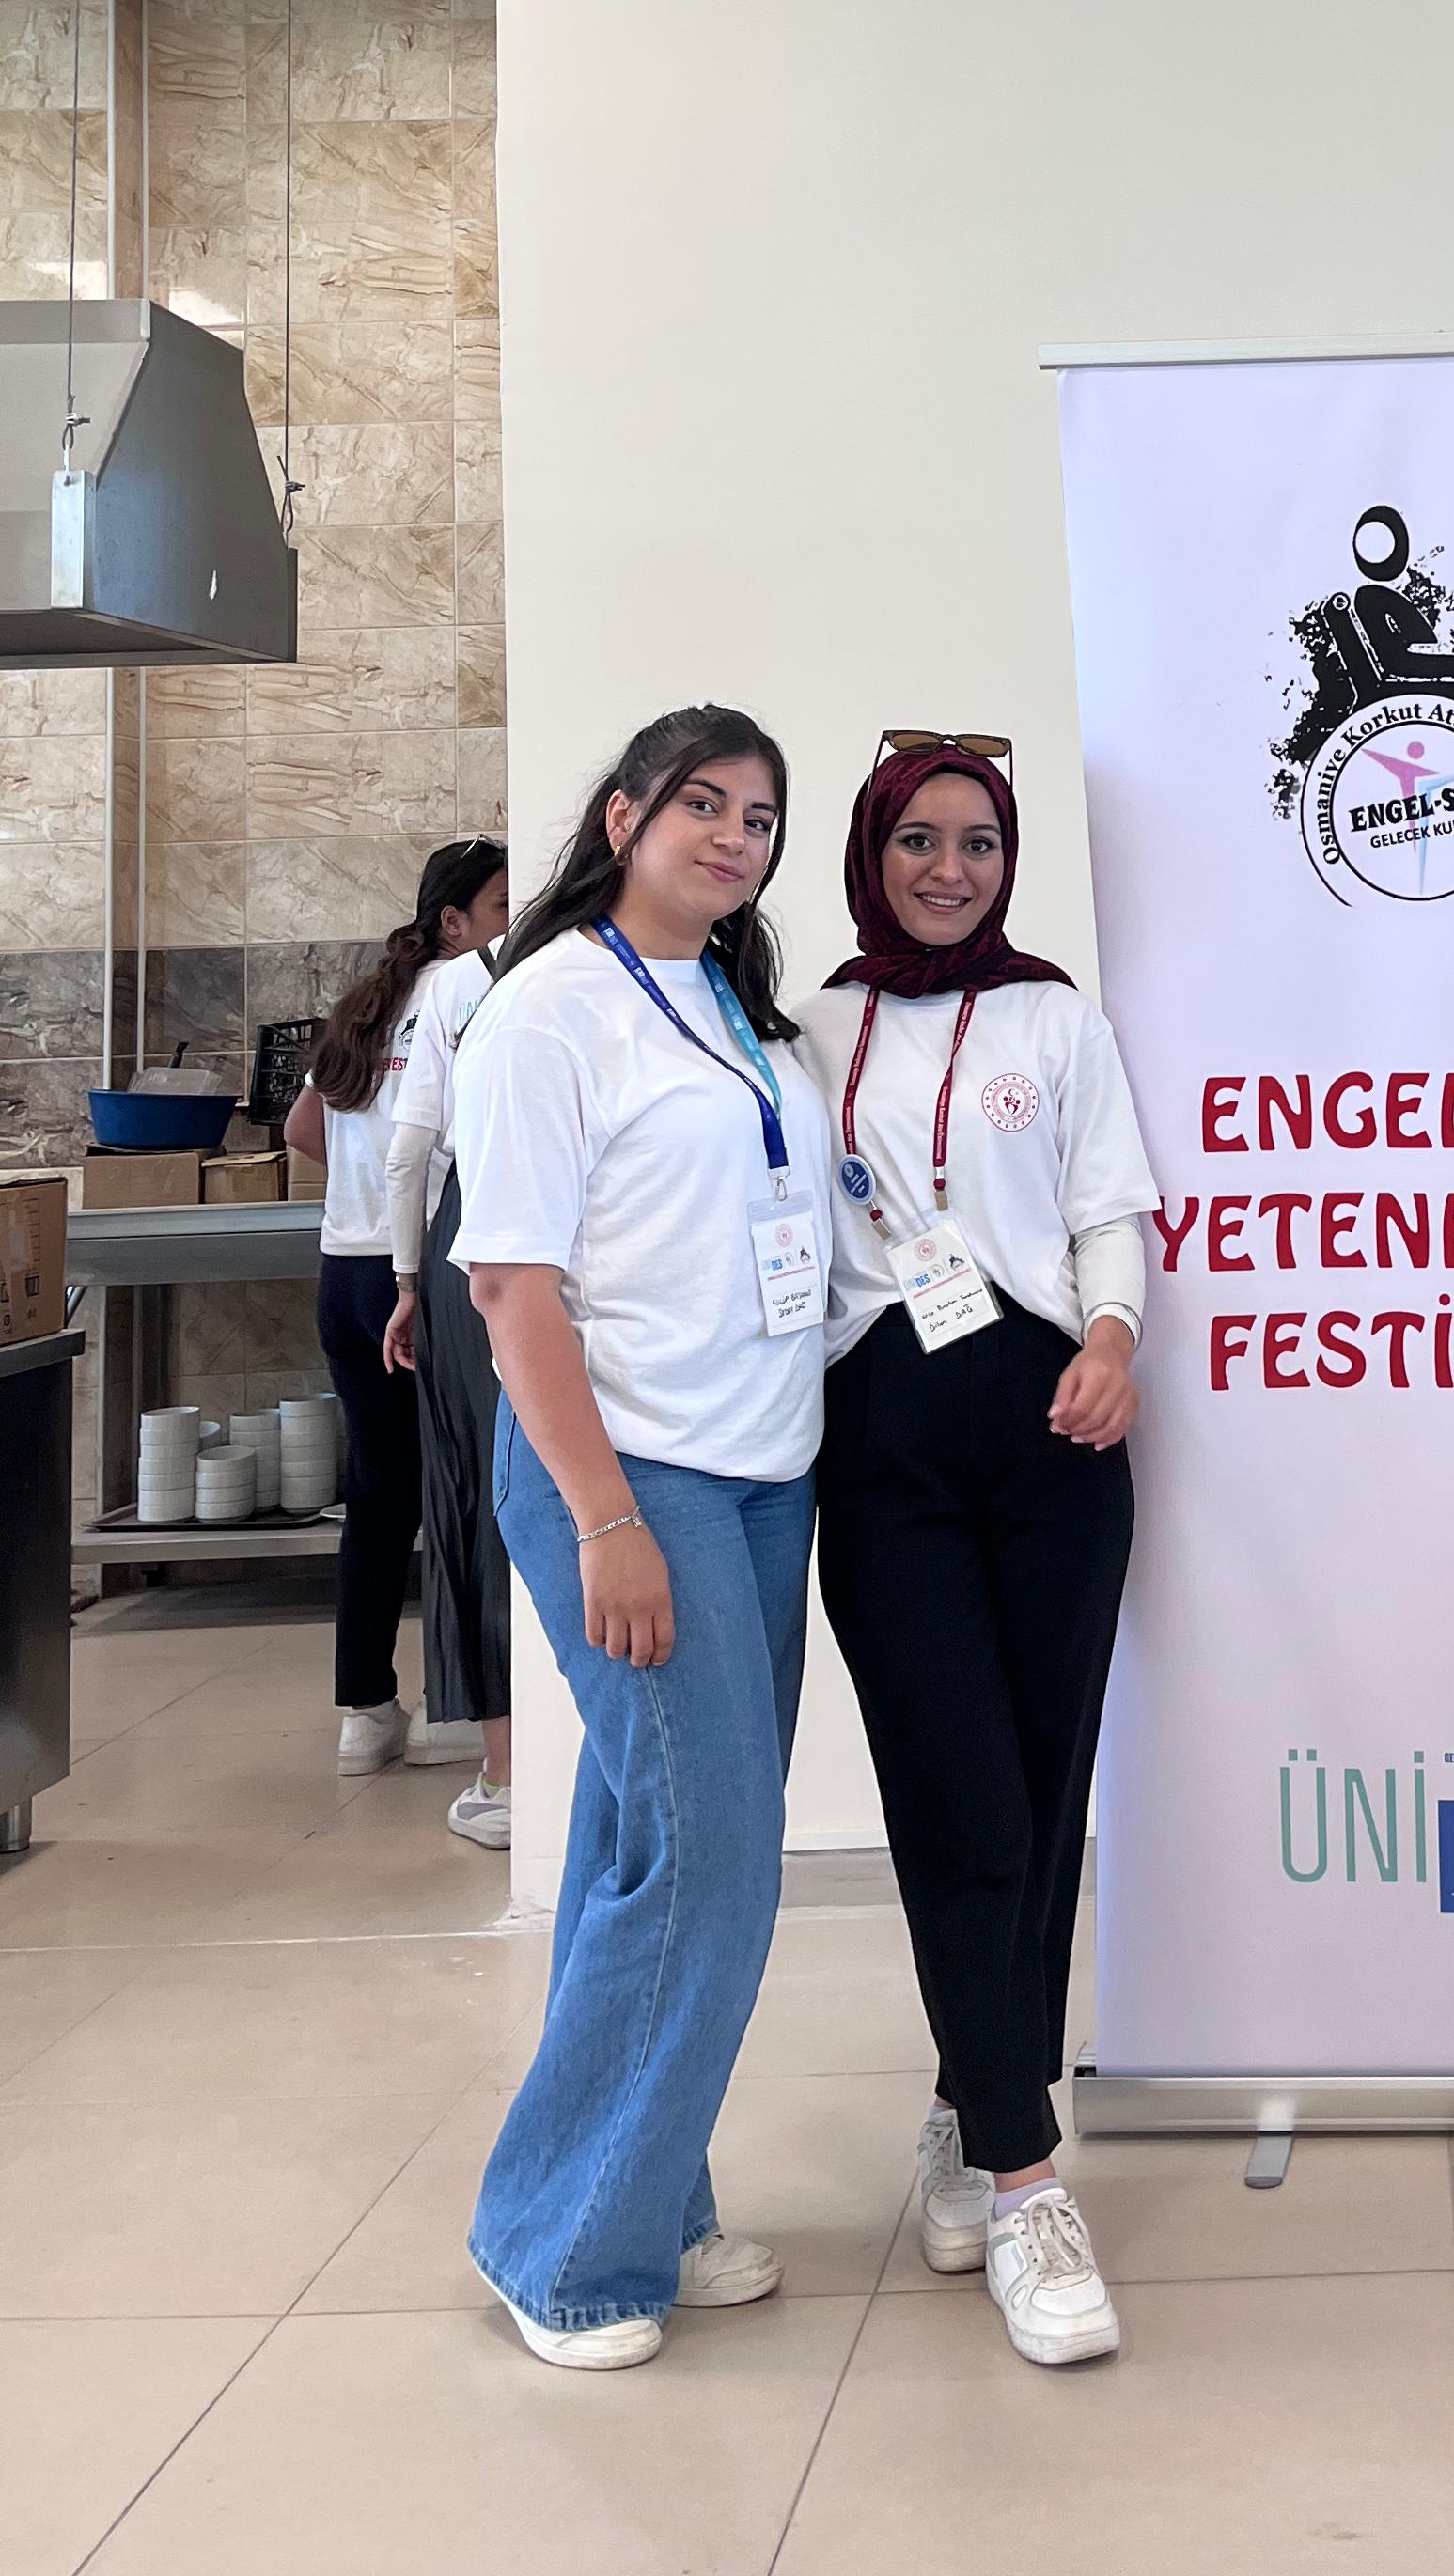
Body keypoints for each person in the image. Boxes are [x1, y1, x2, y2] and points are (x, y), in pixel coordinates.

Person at [454, 705, 833, 2373]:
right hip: (630, 1474)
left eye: (759, 815)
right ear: (623, 816)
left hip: (762, 1474)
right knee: (712, 1864)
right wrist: (605, 1518)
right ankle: (565, 2246)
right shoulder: (547, 1008)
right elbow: (510, 1287)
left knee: (645, 1847)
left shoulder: (736, 1005)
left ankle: (651, 2197)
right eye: (704, 803)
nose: (736, 837)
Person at [789, 735, 1158, 2372]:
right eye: (920, 841)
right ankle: (1026, 2182)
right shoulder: (806, 1030)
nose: (950, 870)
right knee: (959, 1797)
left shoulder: (1054, 1018)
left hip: (1054, 1425)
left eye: (980, 844)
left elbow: (1108, 1205)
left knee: (1042, 1788)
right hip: (881, 1438)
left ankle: (970, 2096)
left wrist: (1111, 1338)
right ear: (870, 852)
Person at [283, 839, 508, 1779]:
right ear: (454, 920)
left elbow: (300, 1128)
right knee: (459, 1485)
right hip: (413, 1276)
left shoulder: (364, 1006)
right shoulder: (467, 990)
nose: (510, 924)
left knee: (379, 1494)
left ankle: (364, 1710)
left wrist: (367, 1186)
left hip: (344, 1272)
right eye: (499, 905)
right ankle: (461, 1715)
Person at [383, 841, 512, 1847]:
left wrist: (407, 1283)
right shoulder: (593, 967)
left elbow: (409, 1150)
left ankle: (506, 1775)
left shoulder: (456, 987)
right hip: (521, 1237)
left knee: (480, 1492)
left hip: (467, 1240)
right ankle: (530, 1768)